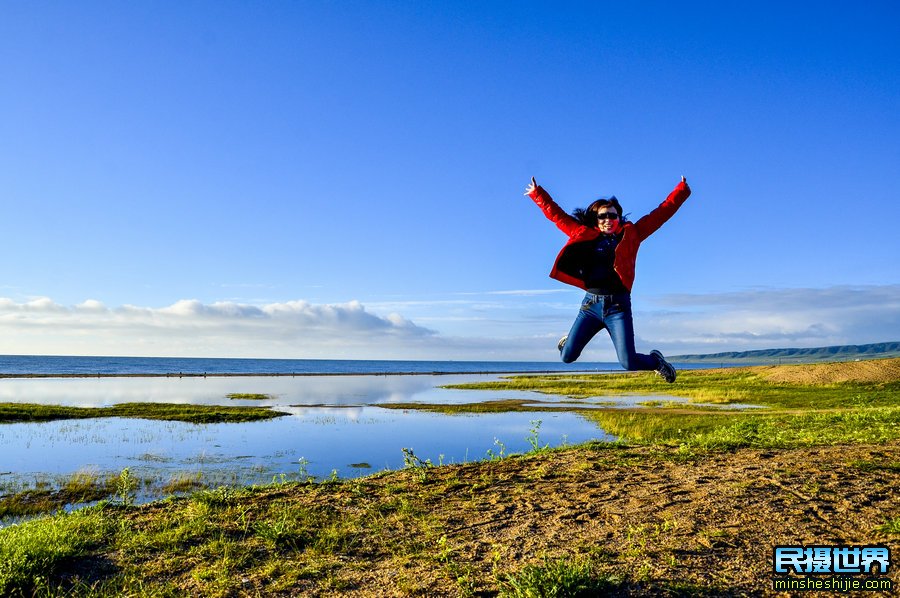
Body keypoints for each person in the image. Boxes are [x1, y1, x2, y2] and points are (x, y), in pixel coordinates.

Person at [524, 175, 691, 382]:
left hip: (618, 308)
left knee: (628, 363)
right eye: (603, 216)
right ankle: (570, 343)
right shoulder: (581, 232)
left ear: (619, 218)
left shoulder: (633, 234)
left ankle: (657, 362)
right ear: (596, 218)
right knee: (567, 356)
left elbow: (661, 213)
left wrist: (681, 190)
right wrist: (537, 194)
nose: (607, 220)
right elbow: (557, 216)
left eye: (613, 216)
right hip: (590, 307)